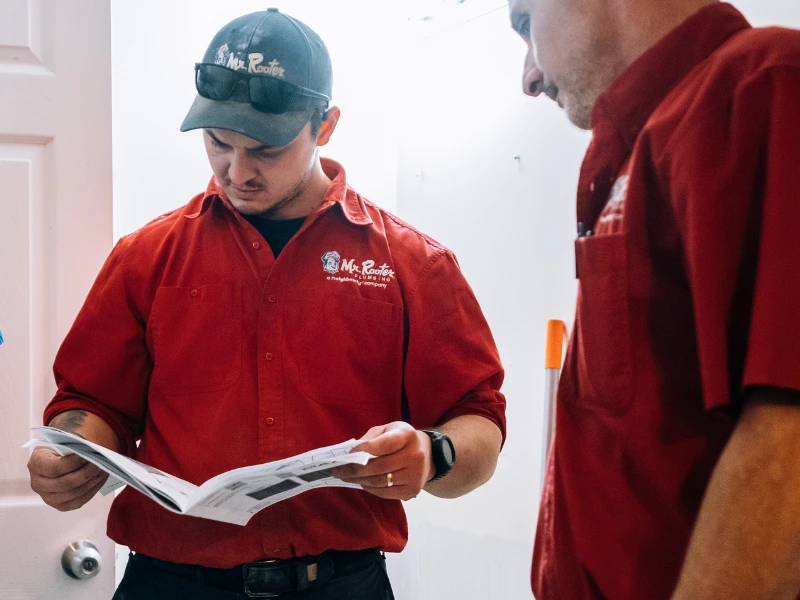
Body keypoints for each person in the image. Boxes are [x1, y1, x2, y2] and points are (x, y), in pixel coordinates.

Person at [27, 9, 506, 599]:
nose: (237, 170)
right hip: (170, 584)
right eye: (218, 143)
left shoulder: (414, 264)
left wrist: (433, 454)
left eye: (265, 150)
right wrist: (74, 456)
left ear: (324, 125)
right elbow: (90, 404)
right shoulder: (144, 258)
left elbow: (479, 422)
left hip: (340, 584)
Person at [508, 0, 800, 598]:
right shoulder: (641, 149)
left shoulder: (760, 84)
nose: (529, 75)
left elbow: (789, 437)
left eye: (524, 24)